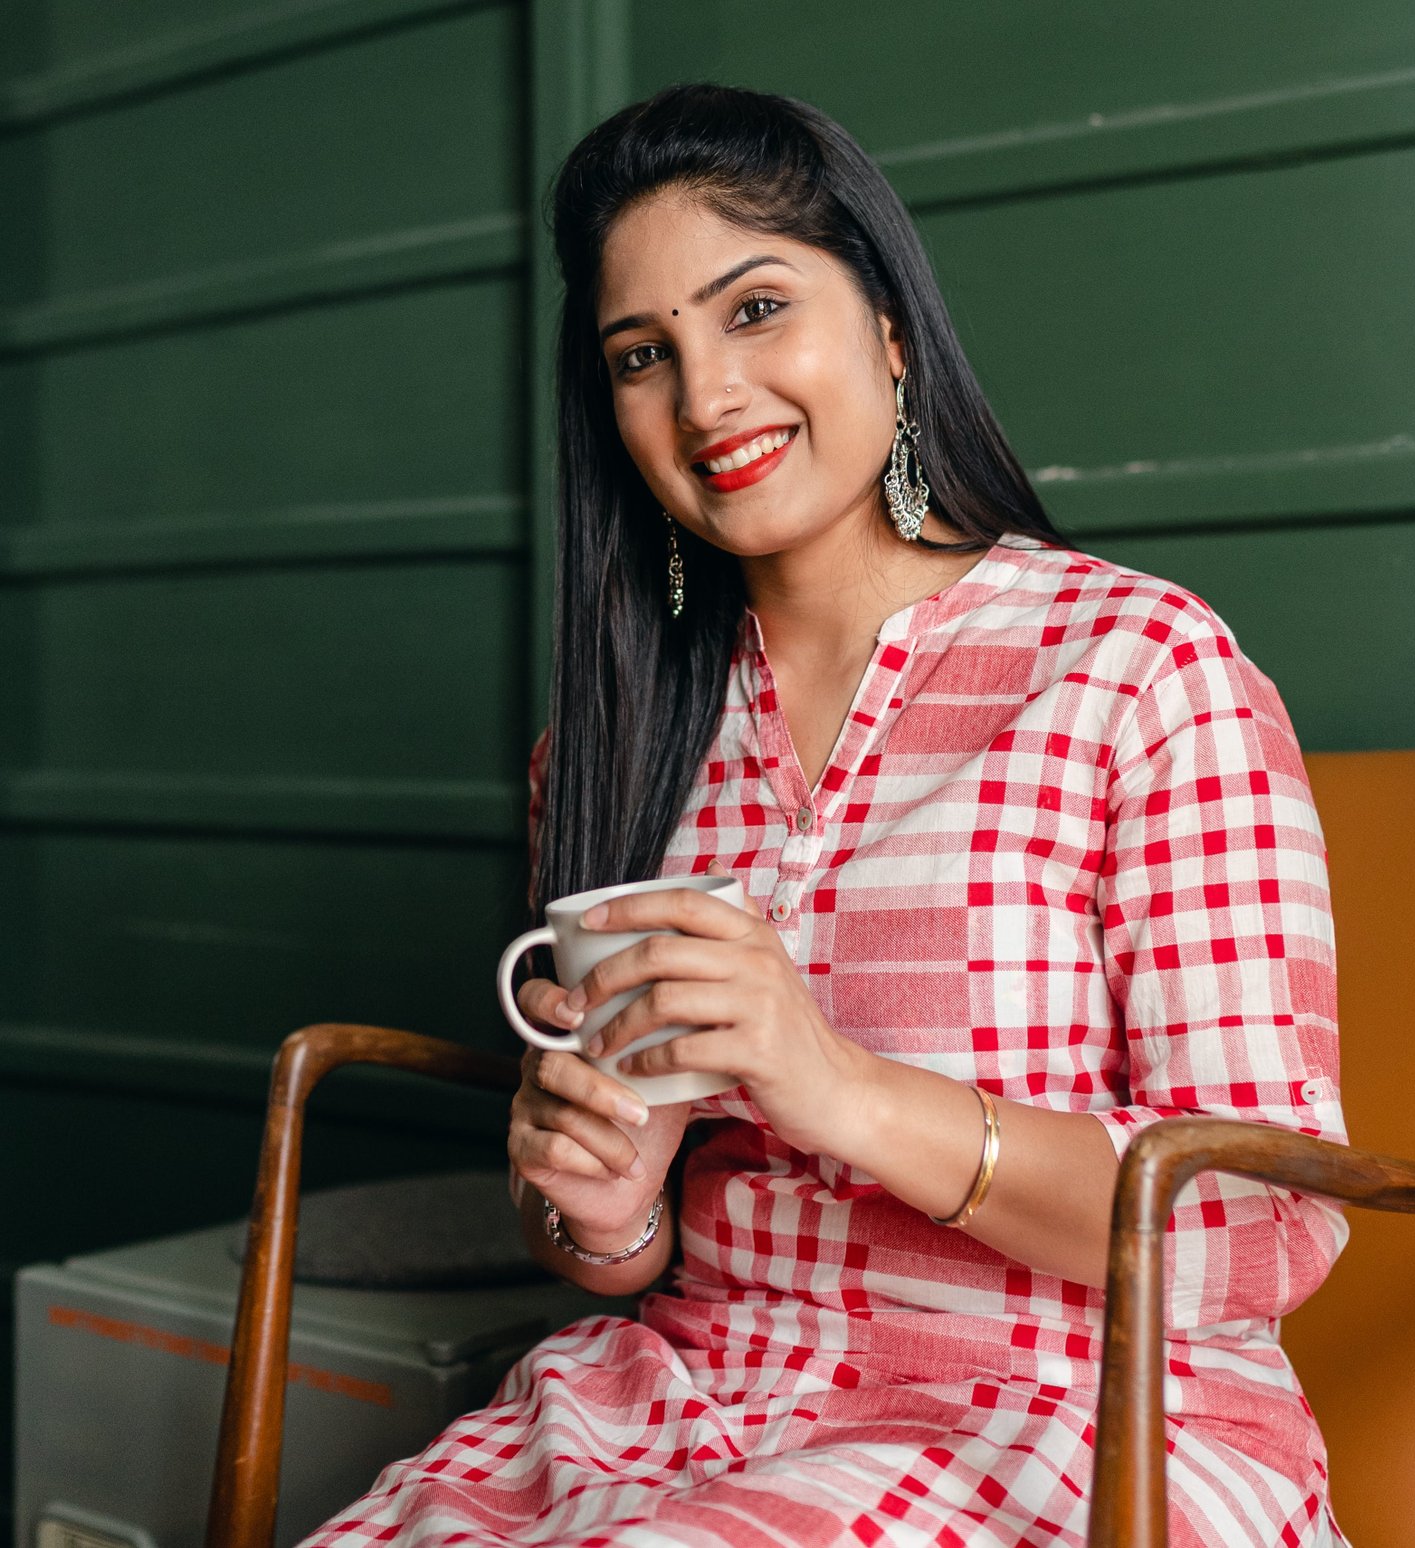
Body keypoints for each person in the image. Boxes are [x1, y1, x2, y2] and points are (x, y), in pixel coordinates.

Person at [305, 83, 1348, 1547]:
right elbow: (618, 1262)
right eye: (640, 356)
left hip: (1075, 1422)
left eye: (753, 309)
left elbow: (1262, 1226)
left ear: (892, 329)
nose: (706, 397)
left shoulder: (1136, 669)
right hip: (687, 1401)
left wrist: (838, 1085)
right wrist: (600, 1204)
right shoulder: (608, 747)